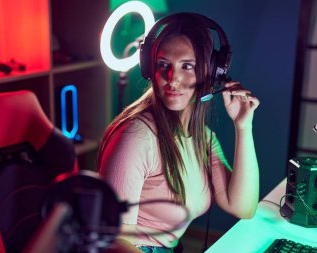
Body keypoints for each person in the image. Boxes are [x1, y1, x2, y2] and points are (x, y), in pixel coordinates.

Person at [98, 13, 260, 253]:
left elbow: (242, 207)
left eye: (187, 66)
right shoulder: (137, 136)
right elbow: (115, 241)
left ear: (211, 72)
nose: (172, 80)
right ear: (149, 68)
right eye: (164, 65)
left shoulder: (203, 138)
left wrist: (243, 127)